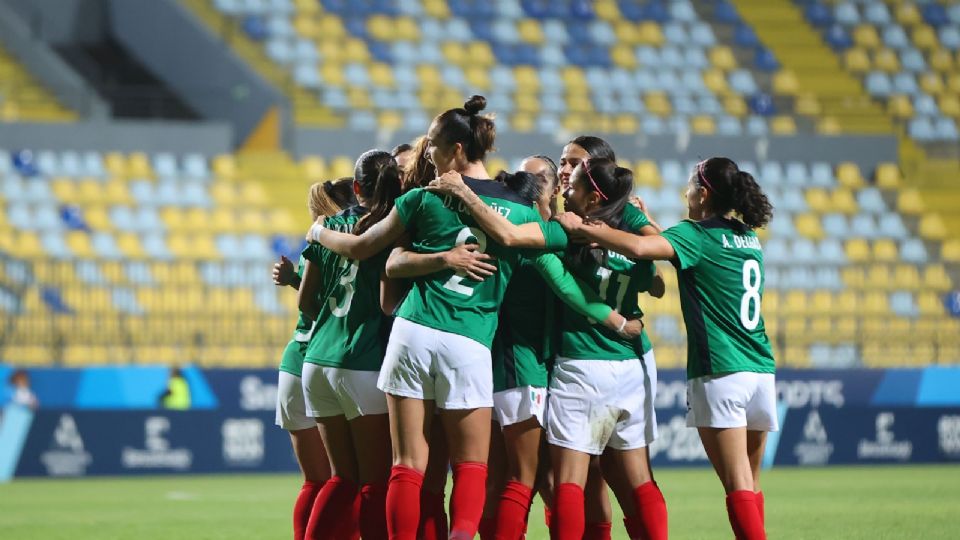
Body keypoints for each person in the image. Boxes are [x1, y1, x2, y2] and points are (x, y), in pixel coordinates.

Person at [305, 96, 642, 540]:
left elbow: (376, 255)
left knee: (408, 465)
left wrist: (317, 230)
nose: (429, 153)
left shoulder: (423, 199)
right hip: (470, 342)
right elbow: (562, 270)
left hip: (411, 332)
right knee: (471, 467)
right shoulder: (522, 212)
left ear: (458, 150)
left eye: (435, 147)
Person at [426, 159, 668, 540]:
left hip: (570, 366)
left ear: (590, 196)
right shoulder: (617, 232)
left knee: (558, 480)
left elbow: (564, 284)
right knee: (614, 479)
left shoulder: (554, 234)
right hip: (602, 364)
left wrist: (465, 194)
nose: (566, 185)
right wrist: (618, 316)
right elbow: (653, 273)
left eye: (570, 179)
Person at [556, 157, 777, 540]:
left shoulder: (696, 235)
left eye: (690, 187)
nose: (686, 193)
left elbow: (643, 250)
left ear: (704, 194)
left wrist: (587, 228)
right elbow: (669, 250)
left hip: (722, 370)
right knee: (751, 484)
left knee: (738, 484)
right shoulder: (746, 236)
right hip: (761, 369)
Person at [297, 150, 404, 540]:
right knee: (375, 484)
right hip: (362, 361)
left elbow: (306, 302)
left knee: (341, 479)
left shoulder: (327, 225)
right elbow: (387, 302)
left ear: (356, 186)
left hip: (317, 360)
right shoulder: (393, 228)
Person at [272, 182, 347, 540]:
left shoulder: (312, 249)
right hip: (328, 362)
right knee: (347, 480)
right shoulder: (348, 248)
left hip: (294, 362)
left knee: (315, 480)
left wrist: (293, 280)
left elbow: (311, 301)